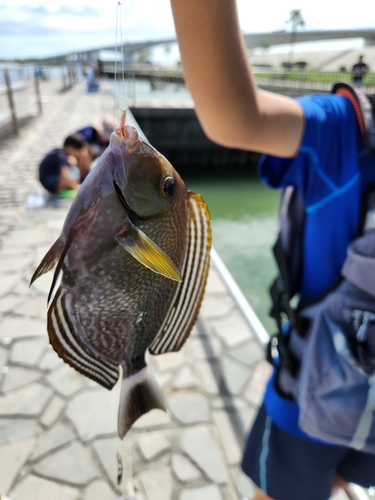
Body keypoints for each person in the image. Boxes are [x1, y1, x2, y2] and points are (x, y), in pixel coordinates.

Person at [168, 1, 375, 499]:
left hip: (309, 398)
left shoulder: (345, 132)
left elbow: (235, 116)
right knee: (342, 472)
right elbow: (236, 112)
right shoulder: (343, 129)